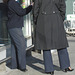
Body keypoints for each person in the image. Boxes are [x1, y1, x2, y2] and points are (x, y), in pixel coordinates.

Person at [33, 0, 74, 75]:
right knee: (61, 44)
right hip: (56, 18)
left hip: (43, 20)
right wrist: (60, 18)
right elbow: (62, 7)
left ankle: (49, 69)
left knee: (46, 46)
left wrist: (37, 21)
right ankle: (66, 66)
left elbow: (35, 10)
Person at [6, 0, 33, 72]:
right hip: (15, 27)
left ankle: (14, 65)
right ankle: (22, 66)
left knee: (14, 46)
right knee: (21, 45)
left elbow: (20, 11)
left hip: (13, 26)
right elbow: (22, 12)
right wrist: (30, 7)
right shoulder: (13, 2)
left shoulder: (13, 2)